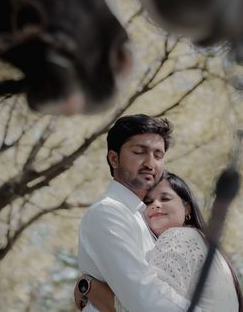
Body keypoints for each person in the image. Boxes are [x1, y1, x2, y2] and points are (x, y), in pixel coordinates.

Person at [81, 171, 243, 312]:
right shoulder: (206, 245)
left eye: (165, 198)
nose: (155, 205)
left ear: (186, 208)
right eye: (148, 202)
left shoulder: (179, 237)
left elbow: (151, 305)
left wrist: (88, 287)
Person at [75, 114, 192, 312]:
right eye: (139, 152)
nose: (150, 163)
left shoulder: (148, 218)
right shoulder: (108, 212)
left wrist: (85, 285)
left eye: (158, 155)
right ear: (114, 158)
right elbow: (144, 298)